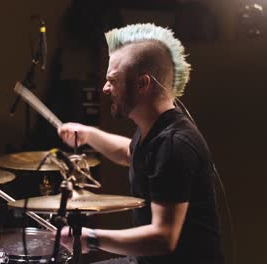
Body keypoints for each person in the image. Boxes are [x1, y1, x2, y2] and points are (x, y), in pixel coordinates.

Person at [57, 23, 224, 264]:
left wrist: (89, 238)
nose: (105, 88)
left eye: (112, 80)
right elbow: (129, 152)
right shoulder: (155, 131)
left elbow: (163, 238)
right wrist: (88, 134)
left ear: (142, 83)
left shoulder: (174, 144)